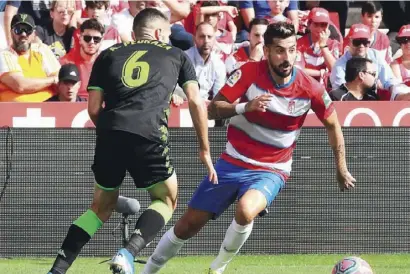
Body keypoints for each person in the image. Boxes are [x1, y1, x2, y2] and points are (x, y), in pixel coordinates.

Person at [141, 21, 356, 274]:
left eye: (291, 50)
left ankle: (217, 268)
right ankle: (146, 272)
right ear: (266, 52)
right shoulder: (248, 73)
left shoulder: (311, 88)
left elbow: (333, 125)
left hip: (272, 168)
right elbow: (212, 110)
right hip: (231, 162)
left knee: (246, 210)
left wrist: (341, 168)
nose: (286, 57)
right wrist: (245, 107)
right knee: (187, 226)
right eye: (279, 50)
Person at [47, 8, 216, 274]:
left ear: (135, 33)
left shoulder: (107, 54)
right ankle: (127, 253)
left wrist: (111, 131)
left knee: (100, 208)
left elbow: (93, 109)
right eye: (169, 33)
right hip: (148, 135)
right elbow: (196, 101)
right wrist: (204, 150)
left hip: (109, 132)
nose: (169, 38)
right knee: (166, 199)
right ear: (159, 33)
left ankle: (56, 270)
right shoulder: (175, 55)